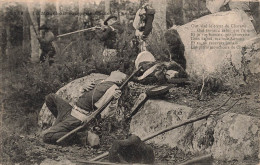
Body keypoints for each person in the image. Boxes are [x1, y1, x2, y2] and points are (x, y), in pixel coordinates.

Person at [42, 71, 127, 144]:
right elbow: (82, 97)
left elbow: (108, 113)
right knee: (50, 97)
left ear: (119, 80)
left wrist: (114, 100)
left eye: (120, 72)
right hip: (71, 110)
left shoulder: (113, 89)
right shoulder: (101, 81)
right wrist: (83, 89)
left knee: (47, 136)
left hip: (77, 118)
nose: (118, 70)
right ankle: (62, 127)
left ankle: (82, 137)